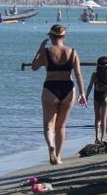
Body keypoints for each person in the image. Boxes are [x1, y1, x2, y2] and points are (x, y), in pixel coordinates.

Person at [30, 24, 87, 165]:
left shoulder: (46, 51)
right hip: (68, 88)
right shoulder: (72, 52)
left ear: (51, 37)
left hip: (51, 88)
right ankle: (59, 156)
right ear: (64, 36)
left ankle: (51, 147)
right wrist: (82, 93)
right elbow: (78, 74)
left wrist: (39, 50)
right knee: (61, 126)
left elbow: (34, 67)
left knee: (48, 125)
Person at [85, 57, 107, 142]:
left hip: (96, 96)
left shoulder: (94, 75)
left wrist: (86, 96)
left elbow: (90, 86)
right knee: (103, 118)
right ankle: (102, 137)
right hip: (105, 97)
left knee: (97, 118)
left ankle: (97, 137)